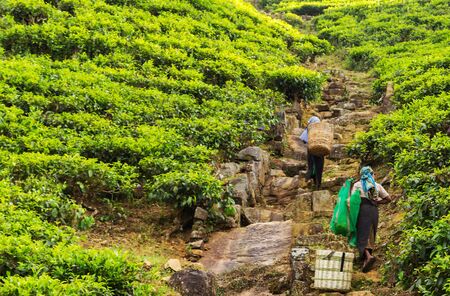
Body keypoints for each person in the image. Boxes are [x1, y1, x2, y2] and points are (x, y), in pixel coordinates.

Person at [351, 166, 391, 273]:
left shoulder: (358, 185)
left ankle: (368, 257)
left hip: (362, 211)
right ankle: (366, 260)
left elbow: (352, 200)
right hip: (374, 212)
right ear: (371, 174)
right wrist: (377, 202)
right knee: (371, 234)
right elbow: (388, 198)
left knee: (362, 235)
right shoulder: (376, 186)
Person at [300, 116, 324, 190]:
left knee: (311, 166)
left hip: (311, 150)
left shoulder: (309, 129)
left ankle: (308, 182)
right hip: (320, 151)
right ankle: (318, 184)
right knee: (319, 167)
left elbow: (303, 140)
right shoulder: (321, 130)